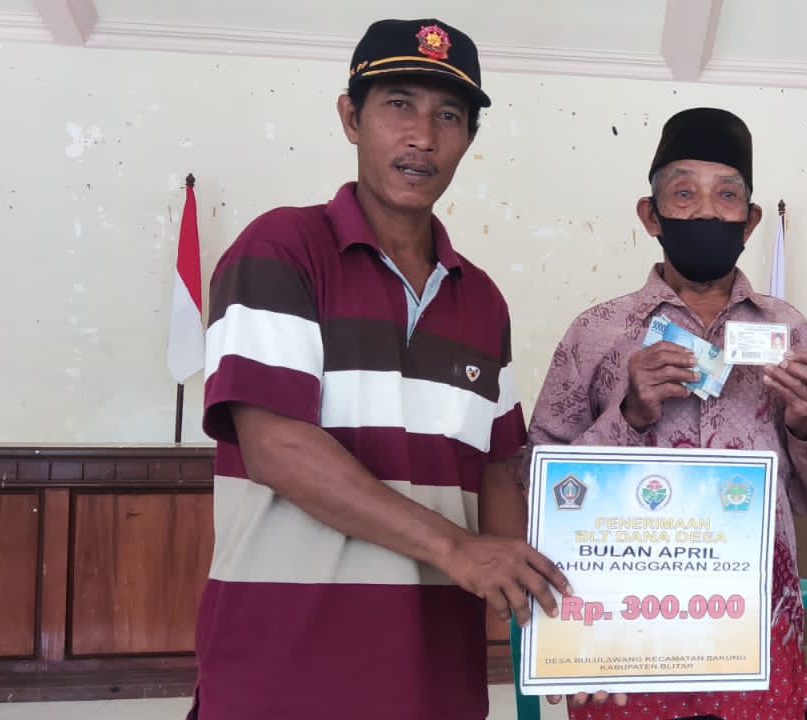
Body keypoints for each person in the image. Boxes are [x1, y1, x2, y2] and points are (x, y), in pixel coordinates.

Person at [191, 19, 569, 720]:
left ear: (468, 139)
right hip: (282, 678)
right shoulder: (280, 248)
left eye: (448, 116)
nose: (423, 136)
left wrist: (571, 630)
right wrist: (457, 549)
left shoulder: (483, 301)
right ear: (350, 118)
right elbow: (276, 447)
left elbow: (496, 473)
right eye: (399, 104)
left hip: (437, 682)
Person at [528, 107, 807, 720]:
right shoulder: (596, 334)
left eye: (727, 195)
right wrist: (629, 414)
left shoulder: (787, 329)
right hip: (623, 630)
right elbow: (539, 481)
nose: (705, 212)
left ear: (751, 220)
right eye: (683, 193)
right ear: (650, 215)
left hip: (755, 628)